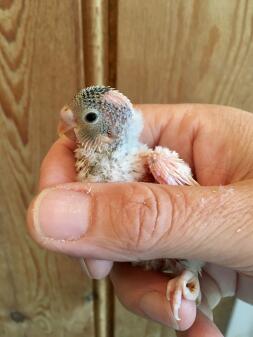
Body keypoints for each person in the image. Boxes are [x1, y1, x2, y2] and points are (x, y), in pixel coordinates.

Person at [27, 104, 253, 336]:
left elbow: (202, 222)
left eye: (89, 118)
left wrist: (190, 271)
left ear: (111, 132)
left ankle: (189, 274)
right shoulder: (86, 167)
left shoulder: (154, 162)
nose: (68, 124)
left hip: (196, 253)